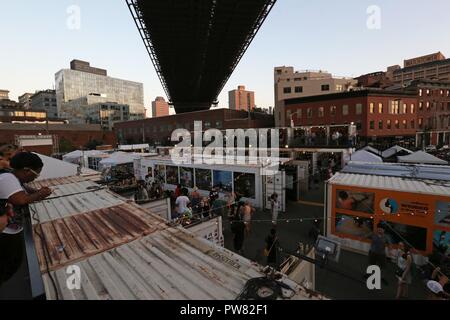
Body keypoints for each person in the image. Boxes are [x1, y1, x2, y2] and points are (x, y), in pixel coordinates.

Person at [0, 152, 52, 286]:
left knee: (14, 261)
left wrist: (37, 192)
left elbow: (25, 190)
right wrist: (41, 193)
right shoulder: (7, 178)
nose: (35, 178)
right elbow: (21, 199)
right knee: (7, 264)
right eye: (36, 174)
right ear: (26, 170)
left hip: (11, 231)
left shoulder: (14, 178)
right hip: (4, 234)